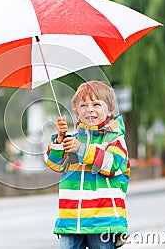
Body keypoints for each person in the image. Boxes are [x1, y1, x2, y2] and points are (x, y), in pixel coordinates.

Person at [45, 81, 130, 249]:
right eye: (83, 105)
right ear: (76, 113)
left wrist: (82, 150)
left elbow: (112, 165)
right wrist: (61, 140)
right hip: (70, 220)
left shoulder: (114, 139)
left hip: (103, 220)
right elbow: (56, 165)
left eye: (96, 104)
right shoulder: (73, 139)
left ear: (110, 110)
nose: (90, 109)